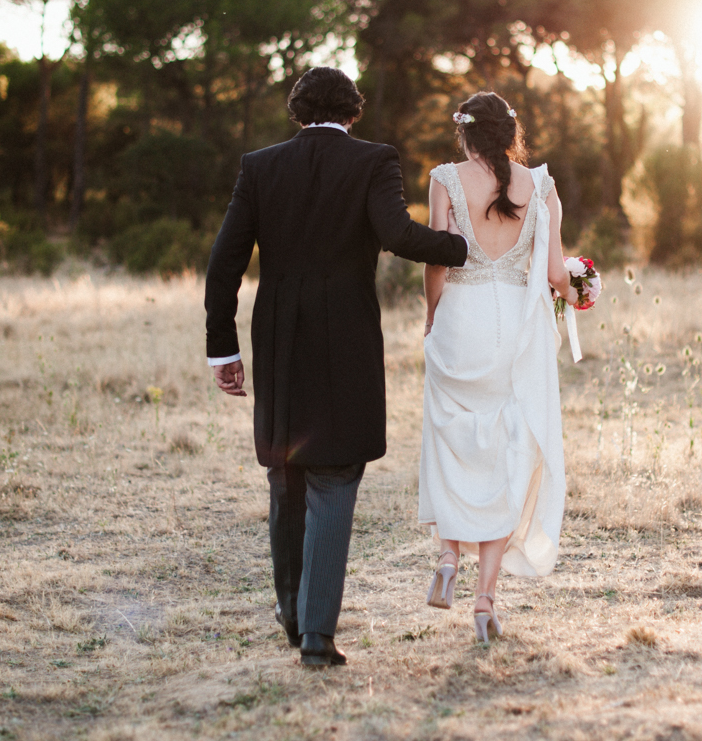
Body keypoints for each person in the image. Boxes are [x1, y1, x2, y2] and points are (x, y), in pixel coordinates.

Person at [204, 67, 469, 668]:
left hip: (277, 339)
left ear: (297, 111)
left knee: (286, 475)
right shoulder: (375, 159)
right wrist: (462, 248)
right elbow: (397, 235)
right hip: (346, 336)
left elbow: (224, 263)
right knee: (335, 478)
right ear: (353, 110)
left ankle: (293, 614)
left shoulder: (259, 165)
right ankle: (317, 636)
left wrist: (224, 348)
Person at [419, 91, 574, 643]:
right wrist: (580, 285)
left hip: (462, 320)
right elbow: (556, 273)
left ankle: (446, 557)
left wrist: (432, 315)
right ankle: (484, 602)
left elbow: (440, 260)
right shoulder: (543, 186)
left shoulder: (445, 179)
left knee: (450, 436)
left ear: (465, 132)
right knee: (509, 451)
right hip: (517, 329)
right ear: (510, 134)